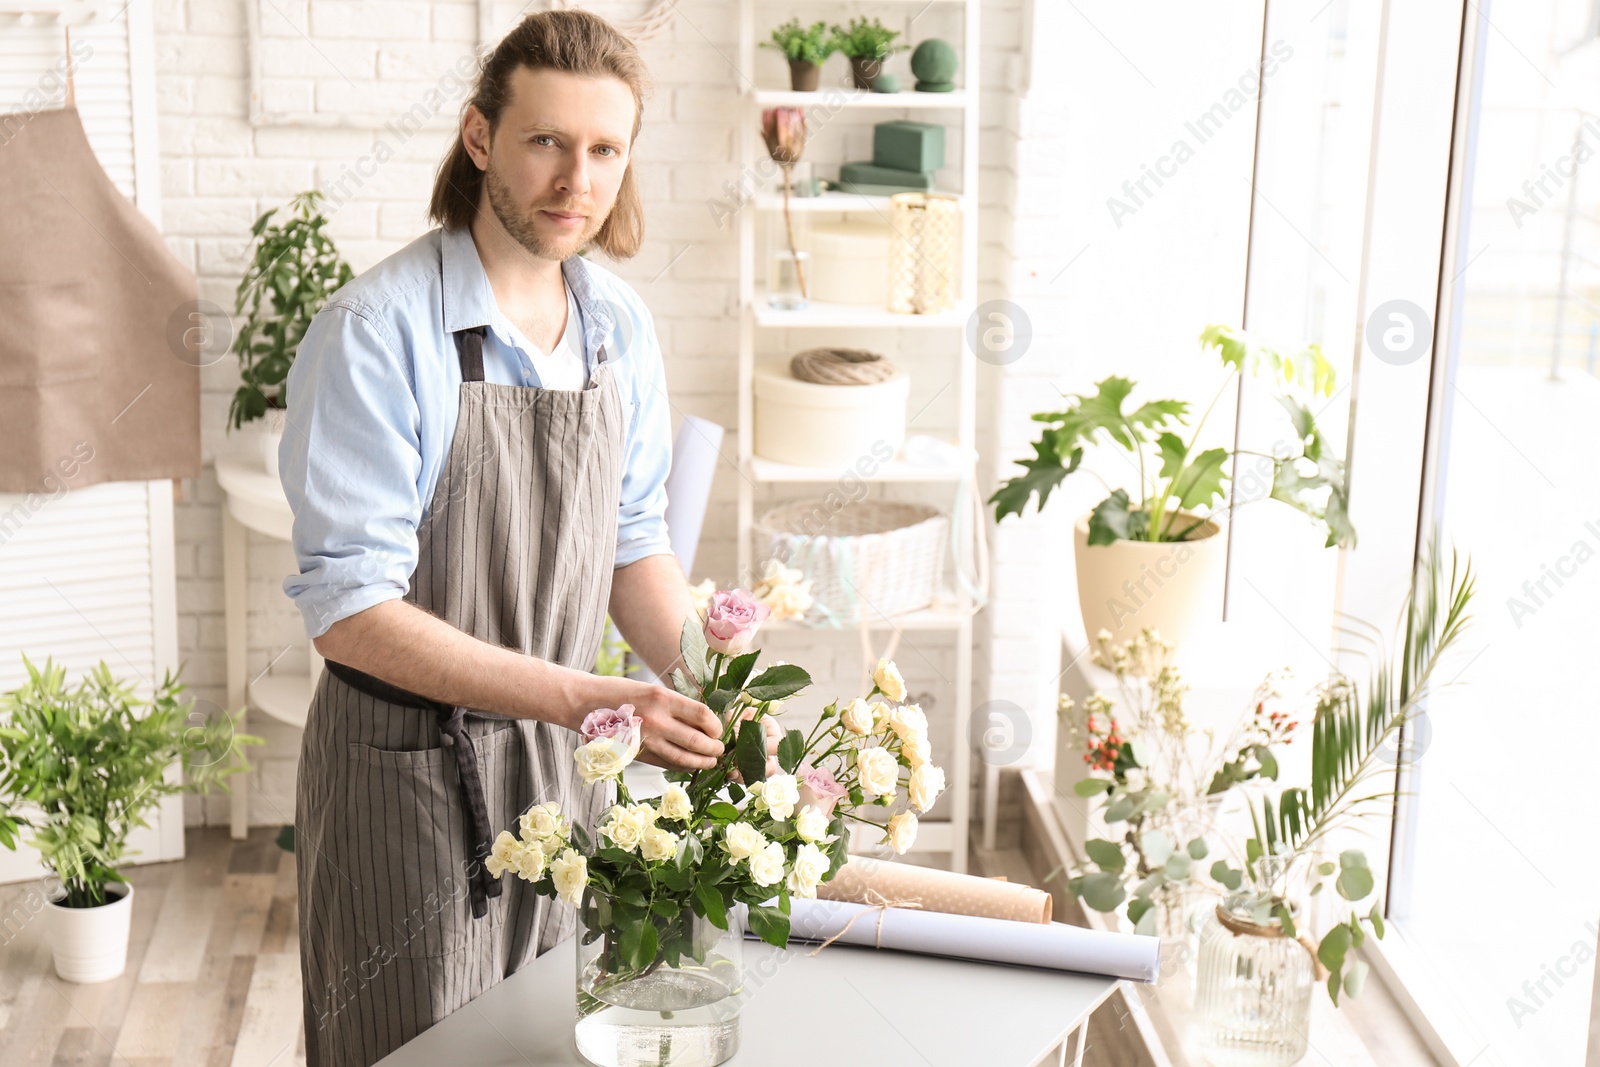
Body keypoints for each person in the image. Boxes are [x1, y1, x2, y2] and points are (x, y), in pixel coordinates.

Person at [278, 11, 771, 1065]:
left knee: (550, 1042)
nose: (574, 181)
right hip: (407, 780)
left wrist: (710, 696)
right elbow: (353, 613)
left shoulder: (614, 326)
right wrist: (588, 695)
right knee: (410, 1045)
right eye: (546, 141)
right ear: (479, 138)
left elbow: (634, 542)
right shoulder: (375, 333)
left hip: (565, 777)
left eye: (604, 150)